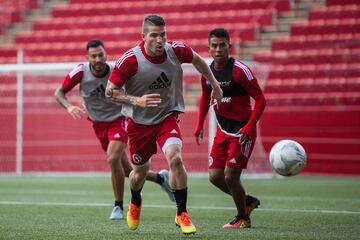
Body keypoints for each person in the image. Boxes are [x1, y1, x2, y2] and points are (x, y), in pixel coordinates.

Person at [105, 14, 223, 235]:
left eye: (163, 35)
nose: (160, 40)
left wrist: (214, 84)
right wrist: (136, 100)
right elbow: (109, 92)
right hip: (139, 123)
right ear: (143, 36)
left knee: (176, 159)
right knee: (139, 173)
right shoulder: (129, 60)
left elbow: (198, 60)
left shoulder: (176, 50)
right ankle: (136, 200)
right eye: (154, 36)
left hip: (167, 115)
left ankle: (181, 213)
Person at [54, 39, 175, 221]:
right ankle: (161, 179)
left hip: (119, 119)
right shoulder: (80, 72)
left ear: (105, 54)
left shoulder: (116, 72)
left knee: (112, 158)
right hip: (98, 124)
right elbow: (59, 93)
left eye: (100, 54)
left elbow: (132, 91)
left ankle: (118, 206)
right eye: (93, 56)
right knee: (126, 171)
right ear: (87, 57)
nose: (97, 59)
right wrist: (68, 106)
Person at [194, 28, 266, 228]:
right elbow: (204, 97)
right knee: (215, 177)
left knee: (230, 175)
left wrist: (249, 128)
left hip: (243, 131)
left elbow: (260, 100)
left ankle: (243, 217)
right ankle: (248, 201)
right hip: (222, 130)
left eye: (222, 45)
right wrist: (200, 124)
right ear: (208, 48)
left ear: (229, 47)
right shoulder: (206, 73)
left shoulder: (240, 71)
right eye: (214, 46)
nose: (218, 49)